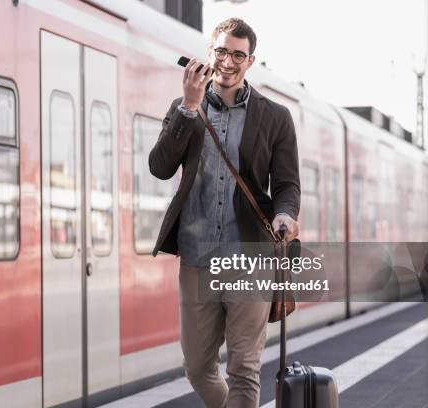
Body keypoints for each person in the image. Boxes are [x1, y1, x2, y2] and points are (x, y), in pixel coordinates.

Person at [148, 18, 301, 408]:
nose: (228, 62)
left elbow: (286, 186)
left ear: (251, 61)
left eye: (238, 54)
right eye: (221, 52)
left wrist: (285, 214)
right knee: (198, 368)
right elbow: (159, 166)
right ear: (209, 52)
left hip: (249, 257)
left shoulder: (275, 117)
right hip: (197, 256)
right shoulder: (184, 108)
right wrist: (188, 106)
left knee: (244, 371)